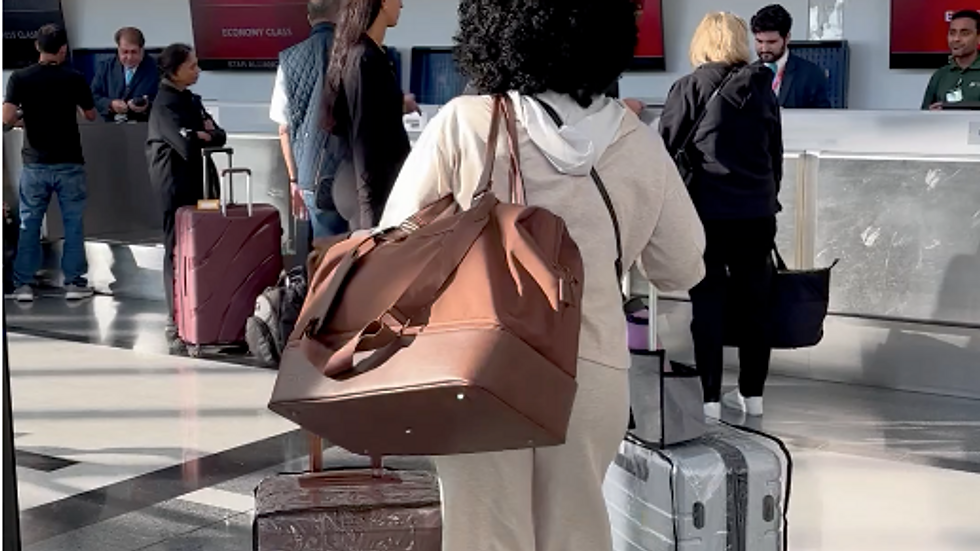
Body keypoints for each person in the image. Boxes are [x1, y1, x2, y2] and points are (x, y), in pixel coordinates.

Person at [378, 0, 706, 548]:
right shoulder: (637, 141)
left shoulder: (466, 122)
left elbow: (395, 242)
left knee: (481, 532)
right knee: (576, 526)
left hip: (477, 363)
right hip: (591, 366)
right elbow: (682, 264)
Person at [660, 12, 783, 419]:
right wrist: (766, 197)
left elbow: (665, 152)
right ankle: (754, 395)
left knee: (708, 305)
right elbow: (774, 155)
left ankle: (709, 399)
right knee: (756, 306)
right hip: (756, 214)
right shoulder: (764, 87)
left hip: (706, 213)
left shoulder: (689, 87)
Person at [3, 24, 98, 303]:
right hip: (69, 162)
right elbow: (91, 114)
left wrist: (26, 118)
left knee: (29, 223)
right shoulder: (75, 78)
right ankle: (74, 283)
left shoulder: (19, 78)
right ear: (63, 50)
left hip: (35, 163)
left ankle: (23, 285)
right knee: (73, 224)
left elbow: (6, 117)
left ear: (37, 47)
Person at [145, 44, 227, 354]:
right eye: (192, 65)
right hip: (175, 187)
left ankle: (204, 309)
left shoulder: (191, 101)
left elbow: (219, 135)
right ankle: (175, 316)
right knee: (176, 247)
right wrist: (200, 134)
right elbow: (187, 146)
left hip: (203, 184)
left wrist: (203, 133)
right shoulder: (164, 105)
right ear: (174, 70)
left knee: (206, 241)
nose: (197, 70)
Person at [322, 0, 412, 230]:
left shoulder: (368, 54)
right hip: (368, 190)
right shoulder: (363, 57)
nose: (401, 5)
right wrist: (369, 217)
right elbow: (364, 139)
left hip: (371, 186)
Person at [270, 0, 348, 240]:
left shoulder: (289, 59)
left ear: (308, 18)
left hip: (311, 178)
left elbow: (283, 128)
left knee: (323, 250)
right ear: (340, 14)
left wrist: (294, 180)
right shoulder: (354, 52)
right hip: (351, 171)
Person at [751, 4, 831, 109]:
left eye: (771, 42)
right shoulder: (747, 75)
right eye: (759, 41)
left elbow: (824, 119)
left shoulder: (811, 74)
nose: (764, 48)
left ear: (787, 38)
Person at [91, 27, 160, 122]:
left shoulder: (156, 69)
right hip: (111, 126)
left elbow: (165, 99)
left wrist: (147, 105)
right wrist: (110, 104)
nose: (129, 57)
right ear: (118, 49)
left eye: (134, 52)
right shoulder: (105, 67)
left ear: (142, 49)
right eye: (125, 52)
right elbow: (93, 95)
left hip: (144, 125)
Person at [922, 10, 980, 110]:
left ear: (979, 38)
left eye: (964, 33)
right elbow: (923, 117)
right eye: (952, 33)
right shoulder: (940, 75)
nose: (956, 39)